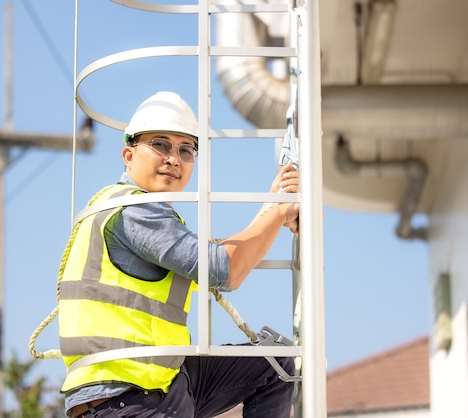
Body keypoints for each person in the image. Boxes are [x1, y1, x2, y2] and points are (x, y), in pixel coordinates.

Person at [58, 91, 300, 418]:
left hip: (163, 382)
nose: (174, 158)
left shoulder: (150, 217)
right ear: (128, 155)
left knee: (276, 364)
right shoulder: (132, 211)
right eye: (160, 145)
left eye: (186, 150)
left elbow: (219, 259)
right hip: (126, 398)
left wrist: (272, 208)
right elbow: (225, 269)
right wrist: (277, 214)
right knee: (278, 364)